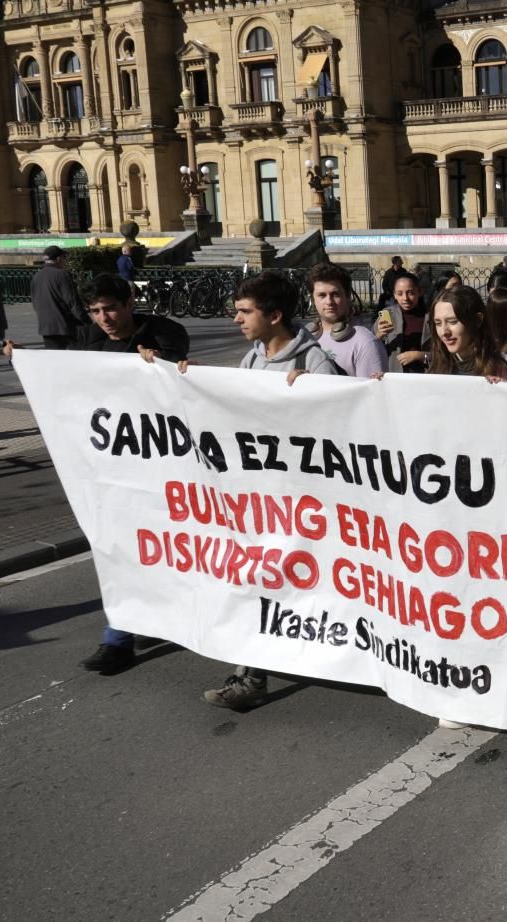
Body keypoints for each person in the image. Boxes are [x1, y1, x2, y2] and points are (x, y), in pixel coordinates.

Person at [15, 273, 190, 675]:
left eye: (110, 307)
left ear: (130, 302)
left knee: (162, 549)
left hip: (161, 466)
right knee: (117, 549)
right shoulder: (86, 339)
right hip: (109, 468)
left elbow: (176, 380)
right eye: (95, 311)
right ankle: (119, 637)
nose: (104, 318)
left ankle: (155, 618)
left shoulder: (164, 332)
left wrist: (157, 363)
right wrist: (26, 360)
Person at [197, 272, 343, 710]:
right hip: (263, 504)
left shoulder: (315, 362)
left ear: (274, 315)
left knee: (310, 583)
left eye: (245, 312)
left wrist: (314, 395)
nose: (236, 319)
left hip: (306, 503)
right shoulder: (251, 359)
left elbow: (343, 427)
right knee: (258, 580)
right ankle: (250, 676)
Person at [307, 262, 389, 378]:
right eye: (322, 295)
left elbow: (371, 393)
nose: (329, 302)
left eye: (335, 294)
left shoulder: (365, 342)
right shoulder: (303, 339)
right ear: (313, 299)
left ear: (348, 296)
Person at [32, 245, 87, 350]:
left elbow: (35, 302)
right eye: (63, 258)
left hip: (46, 327)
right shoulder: (62, 275)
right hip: (65, 326)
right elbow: (72, 302)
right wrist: (85, 321)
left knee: (54, 360)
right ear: (58, 259)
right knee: (73, 358)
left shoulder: (36, 276)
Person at [377, 271, 429, 372]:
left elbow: (442, 356)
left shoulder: (431, 317)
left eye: (410, 293)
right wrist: (378, 336)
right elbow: (370, 349)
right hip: (394, 378)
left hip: (424, 378)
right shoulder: (387, 314)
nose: (405, 298)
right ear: (394, 295)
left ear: (420, 292)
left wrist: (420, 355)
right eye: (400, 294)